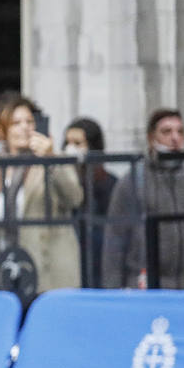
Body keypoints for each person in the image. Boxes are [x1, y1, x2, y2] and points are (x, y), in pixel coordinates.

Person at [0, 96, 83, 296]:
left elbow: (74, 197)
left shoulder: (50, 162)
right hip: (8, 275)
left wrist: (50, 159)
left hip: (49, 276)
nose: (25, 127)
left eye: (29, 122)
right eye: (16, 123)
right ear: (4, 130)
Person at [102, 109, 184, 289]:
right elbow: (115, 241)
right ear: (151, 138)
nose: (175, 138)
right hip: (146, 285)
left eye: (180, 132)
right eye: (166, 132)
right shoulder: (132, 181)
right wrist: (113, 290)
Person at [61, 117, 117, 280]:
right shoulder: (61, 183)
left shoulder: (108, 184)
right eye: (68, 143)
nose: (71, 149)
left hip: (98, 263)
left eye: (78, 143)